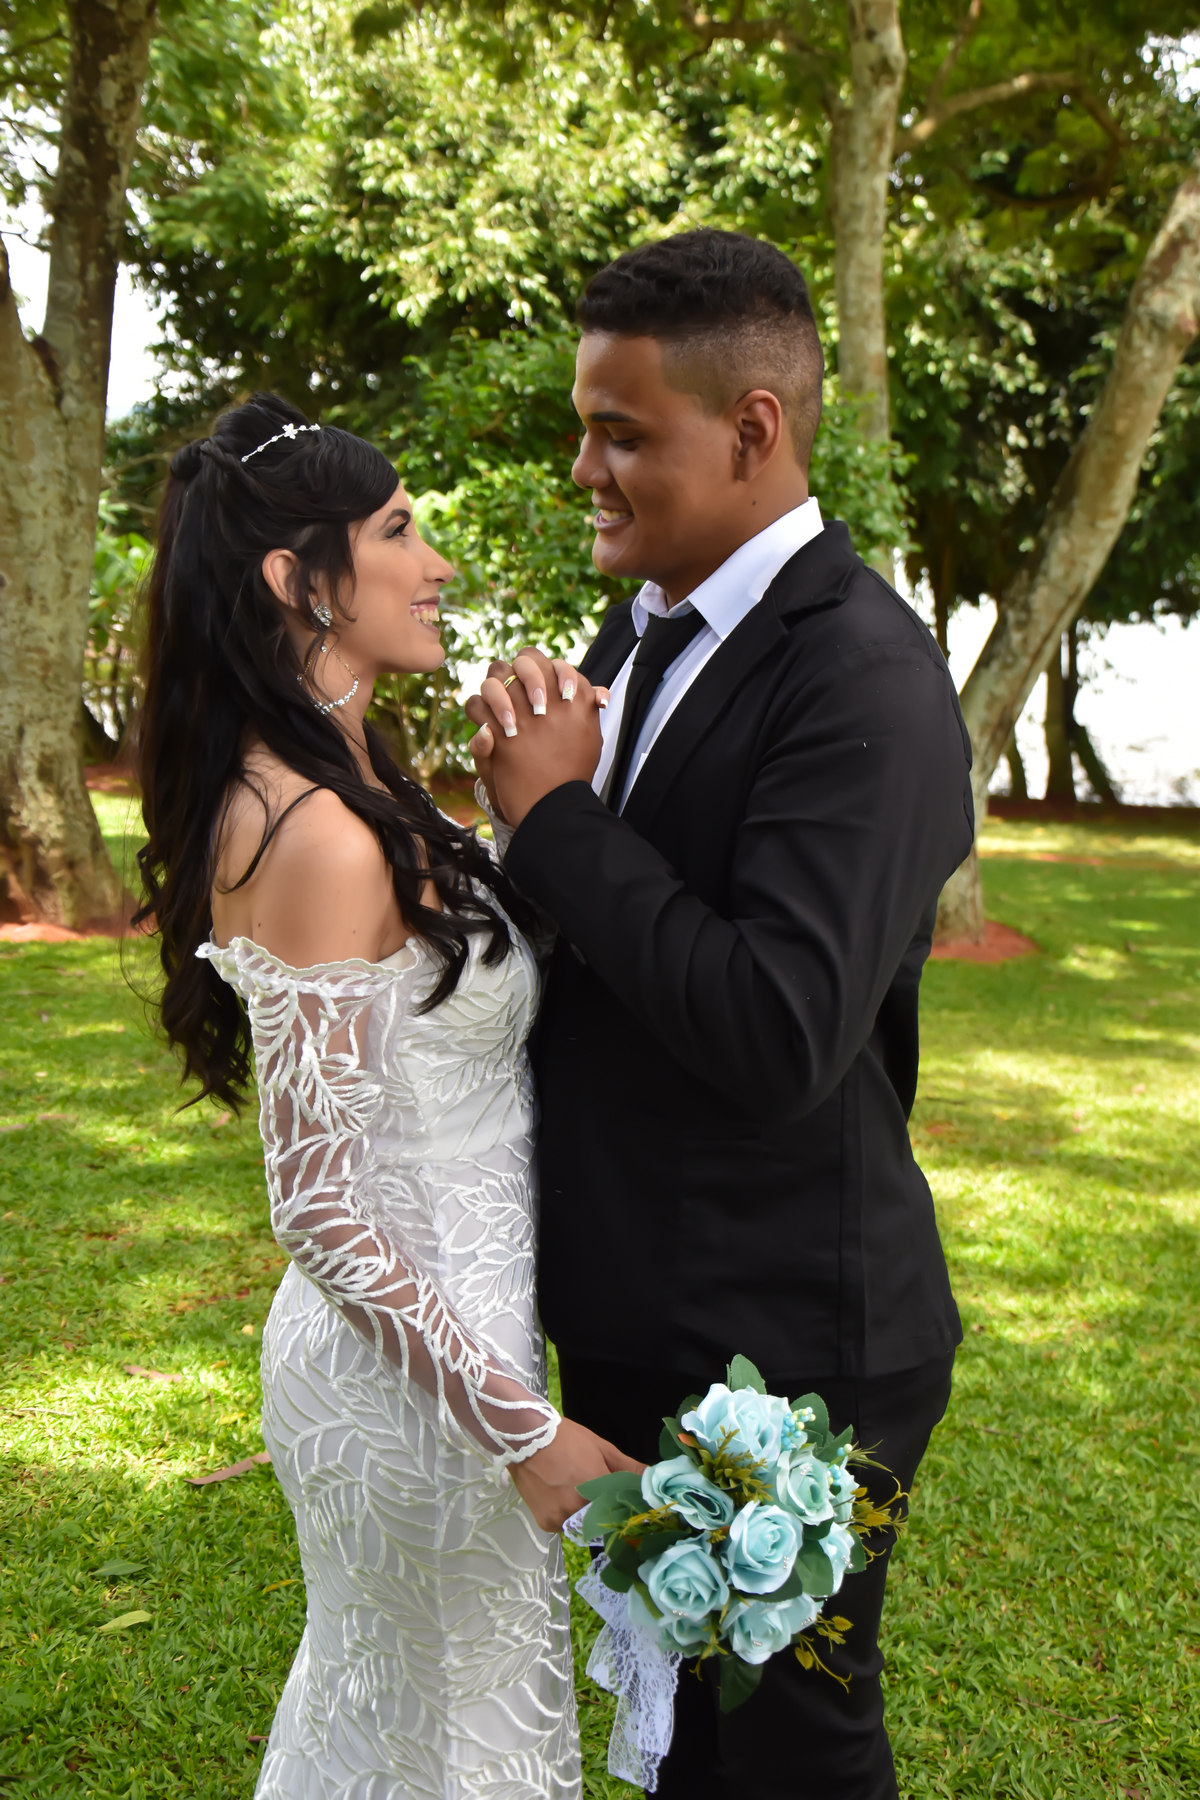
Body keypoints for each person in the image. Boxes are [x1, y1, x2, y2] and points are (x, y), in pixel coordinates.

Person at [467, 230, 974, 1800]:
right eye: (586, 428)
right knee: (681, 1737)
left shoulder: (864, 675)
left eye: (622, 434)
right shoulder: (646, 627)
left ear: (753, 428)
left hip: (786, 1342)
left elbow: (780, 1027)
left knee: (791, 1756)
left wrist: (558, 822)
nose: (585, 471)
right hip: (643, 1301)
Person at [135, 392, 639, 1800]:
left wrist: (534, 806)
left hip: (458, 1343)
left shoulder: (350, 773)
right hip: (417, 1385)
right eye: (401, 532)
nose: (439, 565)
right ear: (299, 579)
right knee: (456, 1747)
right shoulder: (314, 832)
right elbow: (318, 1205)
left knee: (420, 1732)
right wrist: (520, 1427)